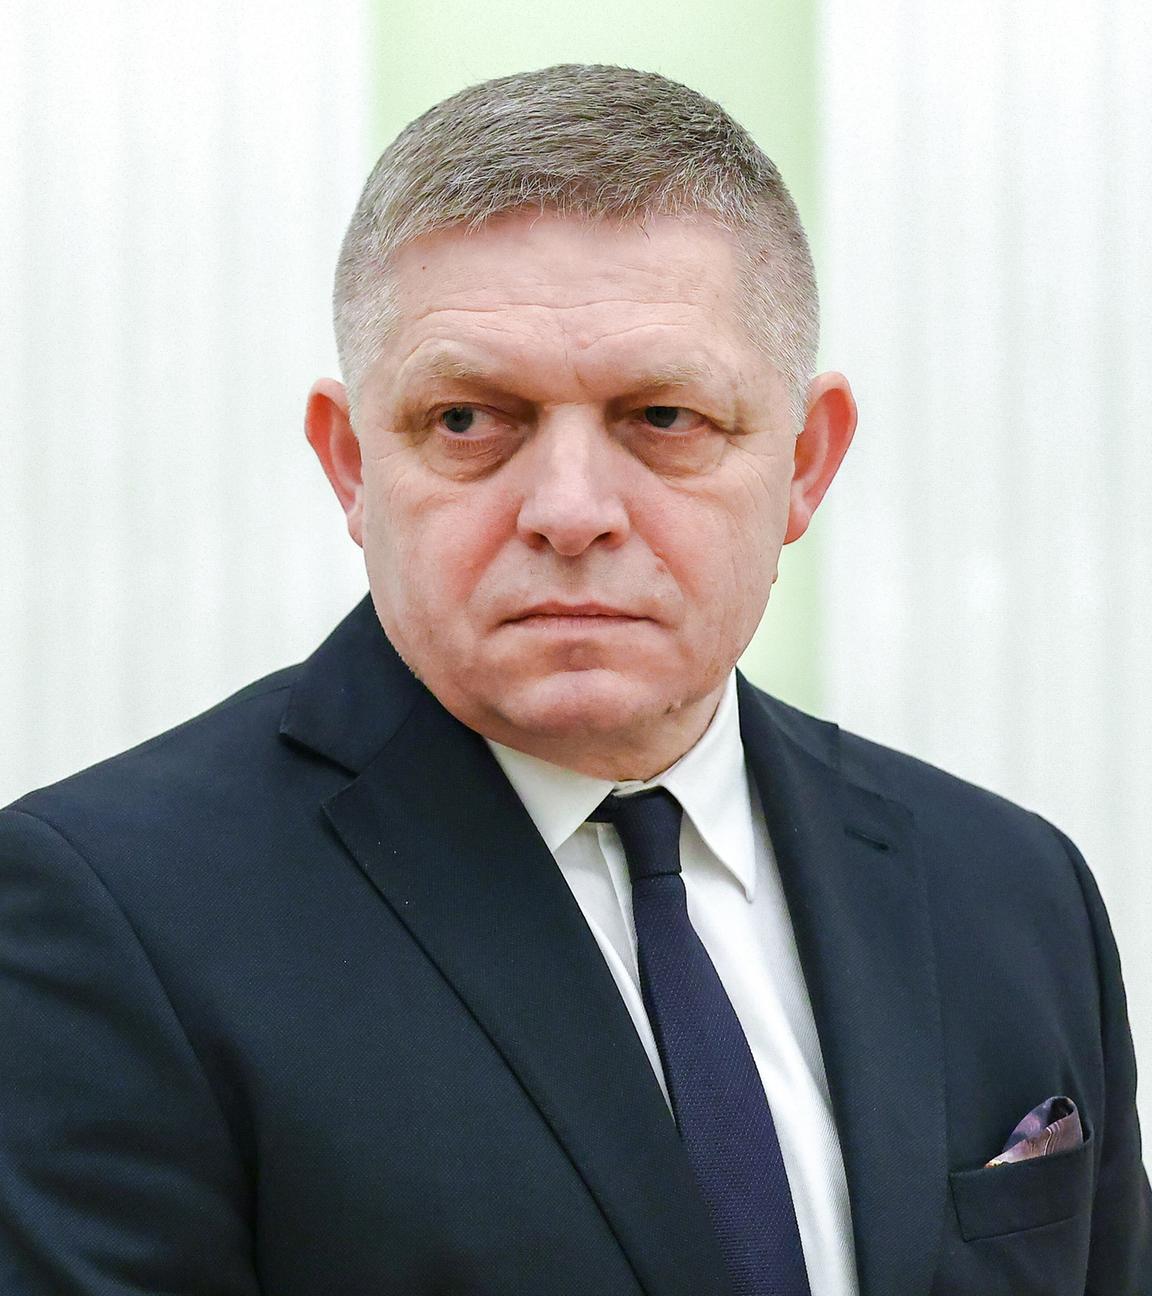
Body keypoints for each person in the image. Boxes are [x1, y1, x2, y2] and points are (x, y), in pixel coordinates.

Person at [1, 63, 1148, 1296]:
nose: (569, 508)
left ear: (807, 461)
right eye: (466, 420)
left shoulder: (1009, 888)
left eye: (662, 417)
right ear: (351, 466)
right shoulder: (107, 917)